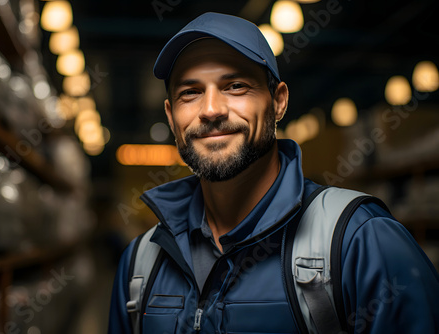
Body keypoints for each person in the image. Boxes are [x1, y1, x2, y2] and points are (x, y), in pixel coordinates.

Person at [108, 12, 439, 334]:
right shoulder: (140, 265)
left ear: (279, 101)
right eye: (190, 93)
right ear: (171, 115)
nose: (210, 110)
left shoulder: (360, 241)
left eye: (235, 86)